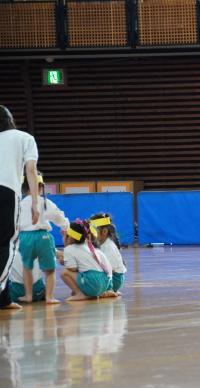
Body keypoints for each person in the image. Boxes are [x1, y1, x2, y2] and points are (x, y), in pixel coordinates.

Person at [0, 105, 40, 310]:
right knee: (7, 244)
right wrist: (34, 202)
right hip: (7, 192)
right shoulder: (25, 138)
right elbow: (31, 170)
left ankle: (4, 299)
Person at [18, 172, 69, 304]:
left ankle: (28, 296)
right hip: (43, 236)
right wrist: (65, 226)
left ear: (24, 188)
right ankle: (49, 297)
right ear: (41, 187)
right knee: (50, 270)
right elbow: (58, 217)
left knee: (27, 267)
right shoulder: (44, 201)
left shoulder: (20, 203)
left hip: (25, 237)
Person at [60, 220, 115, 301]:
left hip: (93, 282)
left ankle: (79, 294)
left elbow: (73, 268)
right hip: (105, 283)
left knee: (64, 272)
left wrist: (64, 262)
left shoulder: (68, 249)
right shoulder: (89, 247)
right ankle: (96, 293)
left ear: (70, 237)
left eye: (64, 235)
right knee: (82, 272)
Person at [90, 213, 126, 294]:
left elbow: (110, 270)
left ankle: (109, 290)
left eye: (93, 231)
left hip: (114, 280)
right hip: (111, 277)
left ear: (104, 231)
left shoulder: (109, 247)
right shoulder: (101, 244)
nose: (91, 234)